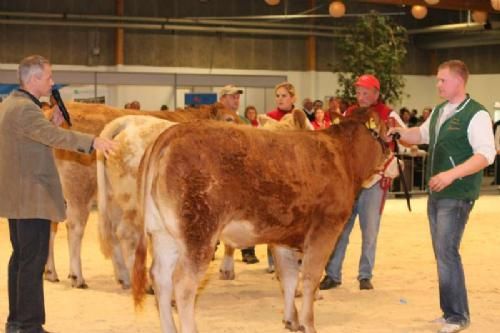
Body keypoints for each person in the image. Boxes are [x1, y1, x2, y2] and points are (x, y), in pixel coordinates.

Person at [0, 55, 116, 333]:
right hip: (32, 198)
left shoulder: (12, 105)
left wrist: (52, 120)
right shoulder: (25, 110)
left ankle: (17, 322)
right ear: (34, 79)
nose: (52, 82)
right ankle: (28, 326)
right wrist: (92, 140)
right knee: (31, 263)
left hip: (20, 197)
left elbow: (34, 139)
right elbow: (55, 139)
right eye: (49, 77)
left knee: (21, 260)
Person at [389, 60, 495, 333]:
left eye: (442, 80)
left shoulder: (477, 114)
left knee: (447, 252)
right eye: (438, 80)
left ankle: (458, 316)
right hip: (438, 193)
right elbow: (420, 135)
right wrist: (400, 132)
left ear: (459, 81)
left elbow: (486, 154)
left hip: (457, 193)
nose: (437, 84)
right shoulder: (439, 111)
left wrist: (451, 174)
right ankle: (450, 312)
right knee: (443, 253)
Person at [319, 73, 405, 291]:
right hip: (350, 179)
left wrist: (393, 137)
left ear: (376, 93)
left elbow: (403, 136)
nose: (361, 96)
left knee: (370, 229)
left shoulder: (388, 114)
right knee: (341, 228)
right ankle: (332, 274)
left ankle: (365, 275)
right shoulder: (349, 113)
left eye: (365, 92)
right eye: (358, 91)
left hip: (376, 178)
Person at [218, 85, 259, 263]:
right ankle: (213, 247)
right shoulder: (214, 119)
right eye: (232, 96)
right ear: (222, 99)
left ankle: (247, 250)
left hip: (243, 172)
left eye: (237, 97)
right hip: (220, 172)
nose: (236, 99)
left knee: (246, 211)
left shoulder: (244, 121)